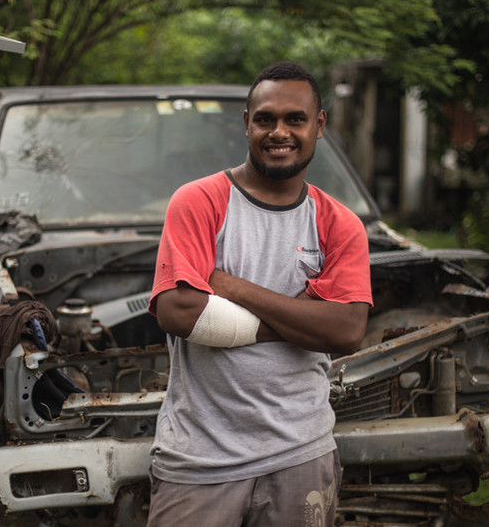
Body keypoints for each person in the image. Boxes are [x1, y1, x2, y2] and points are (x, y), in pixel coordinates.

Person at [146, 61, 373, 526]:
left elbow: (347, 330)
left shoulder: (339, 224)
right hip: (199, 459)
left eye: (295, 119)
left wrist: (229, 287)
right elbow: (177, 310)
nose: (280, 131)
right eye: (266, 118)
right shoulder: (199, 201)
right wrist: (303, 319)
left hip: (300, 453)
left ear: (319, 126)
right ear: (247, 123)